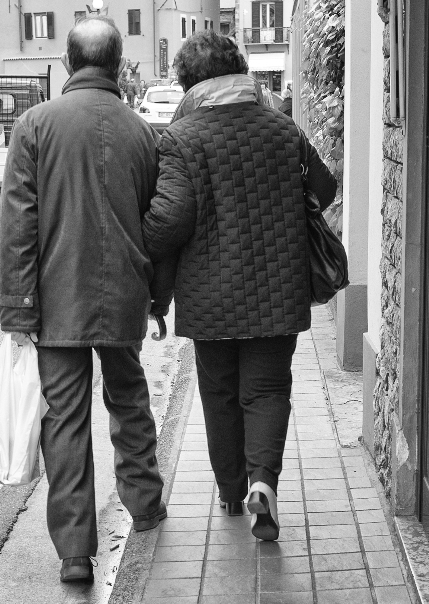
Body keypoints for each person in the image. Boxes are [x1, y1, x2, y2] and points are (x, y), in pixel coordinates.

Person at [142, 31, 336, 541]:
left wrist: (133, 236)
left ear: (189, 82)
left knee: (220, 390)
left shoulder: (182, 138)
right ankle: (263, 484)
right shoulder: (282, 128)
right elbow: (325, 187)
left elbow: (169, 221)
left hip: (210, 293)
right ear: (239, 70)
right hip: (280, 285)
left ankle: (230, 490)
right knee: (269, 389)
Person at [0, 16, 169, 584]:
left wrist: (18, 311)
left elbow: (17, 226)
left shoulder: (35, 125)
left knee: (64, 421)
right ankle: (145, 505)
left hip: (55, 300)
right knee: (129, 398)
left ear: (68, 63)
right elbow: (157, 224)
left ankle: (75, 553)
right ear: (118, 65)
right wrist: (157, 297)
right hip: (124, 291)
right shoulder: (142, 132)